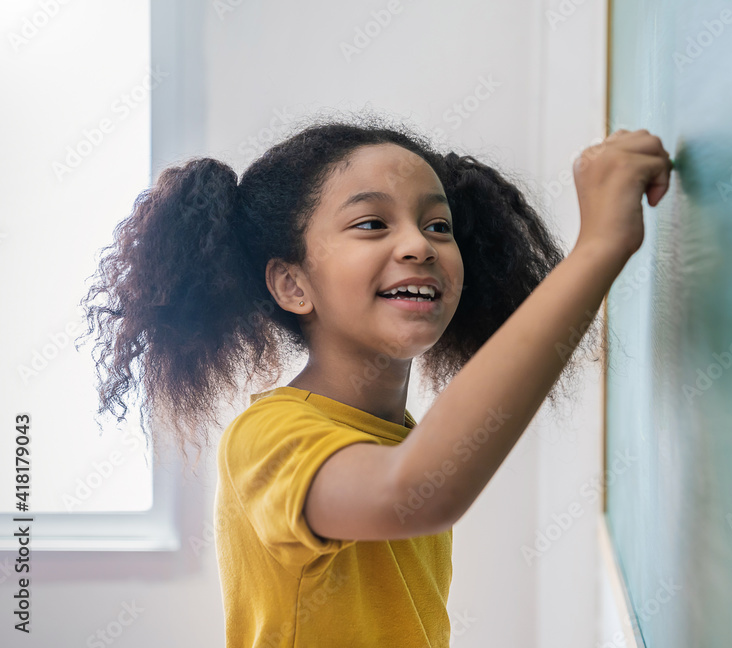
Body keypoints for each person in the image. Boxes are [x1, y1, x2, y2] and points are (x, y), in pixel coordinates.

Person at [78, 111, 671, 647]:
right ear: (292, 284)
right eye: (370, 224)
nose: (419, 244)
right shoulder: (269, 437)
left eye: (439, 226)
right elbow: (413, 492)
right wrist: (598, 248)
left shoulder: (401, 437)